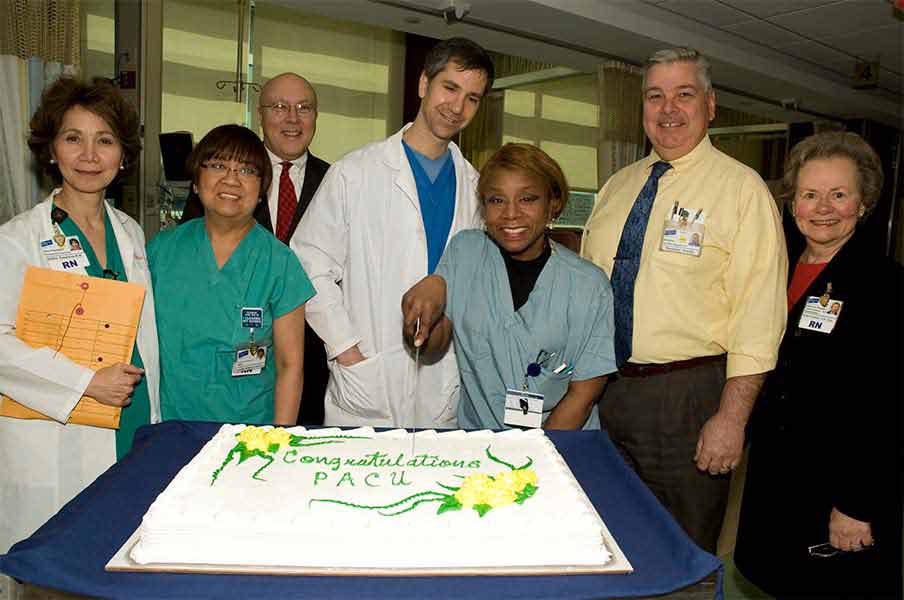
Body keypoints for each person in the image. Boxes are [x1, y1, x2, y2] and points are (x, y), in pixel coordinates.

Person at [581, 47, 787, 553]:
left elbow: (759, 315)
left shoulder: (742, 191)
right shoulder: (616, 187)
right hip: (606, 390)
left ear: (710, 106)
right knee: (608, 539)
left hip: (690, 397)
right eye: (655, 96)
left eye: (684, 94)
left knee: (683, 547)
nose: (668, 108)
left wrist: (731, 418)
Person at [291, 37, 494, 428]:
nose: (457, 107)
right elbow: (308, 265)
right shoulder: (354, 173)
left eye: (472, 98)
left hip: (442, 382)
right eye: (449, 88)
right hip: (367, 377)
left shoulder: (476, 188)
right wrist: (346, 349)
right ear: (423, 84)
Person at [734, 132, 901, 598]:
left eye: (839, 194)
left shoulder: (884, 286)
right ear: (793, 204)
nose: (823, 207)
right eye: (810, 194)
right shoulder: (776, 268)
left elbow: (887, 406)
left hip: (838, 486)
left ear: (863, 203)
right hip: (779, 477)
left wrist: (856, 504)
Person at [0, 77, 160, 553]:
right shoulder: (18, 240)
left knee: (120, 561)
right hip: (58, 429)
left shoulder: (130, 233)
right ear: (51, 150)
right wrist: (85, 382)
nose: (89, 155)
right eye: (74, 138)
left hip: (130, 423)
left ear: (123, 155)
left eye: (105, 140)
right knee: (59, 566)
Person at [402, 143, 615, 429]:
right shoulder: (466, 252)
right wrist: (419, 326)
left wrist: (534, 462)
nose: (510, 214)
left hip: (557, 446)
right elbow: (435, 347)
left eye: (527, 199)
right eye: (496, 200)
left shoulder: (589, 286)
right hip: (479, 444)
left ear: (553, 203)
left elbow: (581, 398)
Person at [181, 73, 330, 426]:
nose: (292, 118)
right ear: (260, 114)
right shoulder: (218, 182)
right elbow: (193, 258)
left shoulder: (338, 182)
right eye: (279, 107)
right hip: (223, 363)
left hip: (312, 359)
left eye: (303, 108)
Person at [149, 124, 314, 425]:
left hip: (250, 433)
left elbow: (290, 366)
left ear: (263, 188)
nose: (231, 179)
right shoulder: (159, 253)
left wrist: (279, 441)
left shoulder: (280, 263)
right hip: (169, 425)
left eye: (247, 170)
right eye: (218, 165)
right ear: (196, 182)